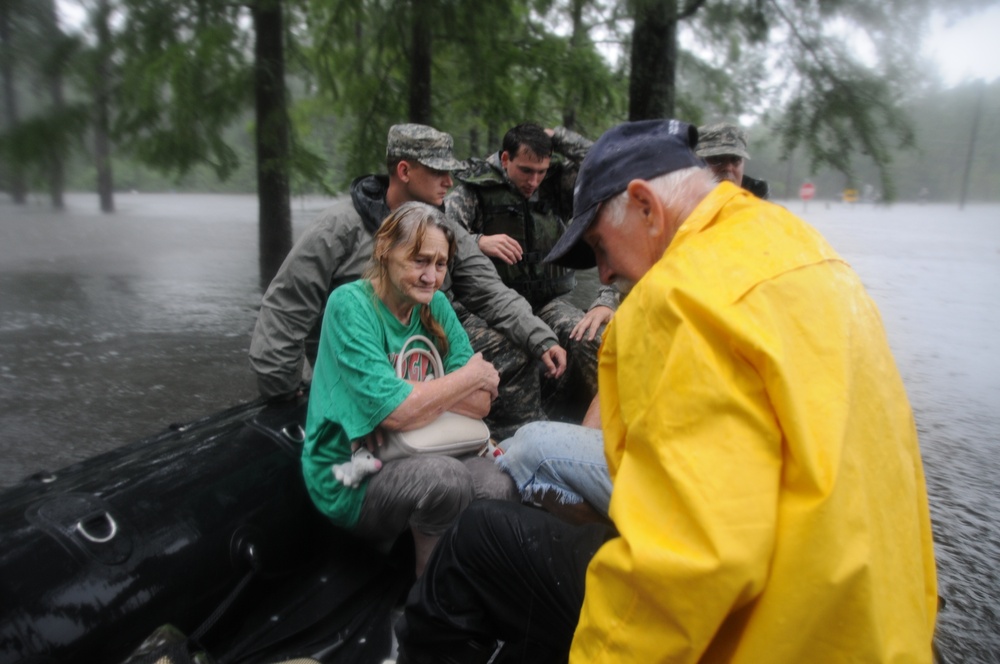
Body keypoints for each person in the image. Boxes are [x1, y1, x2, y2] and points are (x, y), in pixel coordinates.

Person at [394, 119, 938, 663]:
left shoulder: (677, 299)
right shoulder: (807, 251)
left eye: (600, 246)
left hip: (769, 633)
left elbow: (693, 559)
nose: (604, 272)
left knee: (476, 538)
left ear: (646, 206)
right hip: (881, 627)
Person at [248, 124, 568, 440]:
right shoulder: (338, 229)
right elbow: (285, 307)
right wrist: (285, 393)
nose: (448, 182)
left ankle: (510, 442)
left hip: (423, 352)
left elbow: (490, 291)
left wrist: (540, 337)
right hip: (359, 358)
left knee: (514, 348)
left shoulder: (443, 227)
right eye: (437, 172)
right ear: (404, 170)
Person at [301, 202, 516, 577]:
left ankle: (469, 589)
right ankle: (426, 611)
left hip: (427, 447)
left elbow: (481, 404)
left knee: (499, 482)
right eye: (419, 260)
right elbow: (396, 411)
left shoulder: (437, 306)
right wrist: (467, 377)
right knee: (445, 481)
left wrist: (408, 393)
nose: (431, 276)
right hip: (351, 476)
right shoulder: (350, 306)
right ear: (385, 250)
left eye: (440, 264)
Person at [447, 123, 618, 422]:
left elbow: (606, 165)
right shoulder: (475, 190)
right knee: (517, 347)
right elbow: (437, 231)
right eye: (526, 171)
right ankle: (516, 429)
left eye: (541, 171)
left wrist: (561, 137)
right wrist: (478, 241)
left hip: (546, 302)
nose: (534, 181)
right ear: (504, 160)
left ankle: (595, 420)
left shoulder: (556, 187)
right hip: (490, 309)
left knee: (591, 338)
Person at [696, 121, 770, 199]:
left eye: (735, 159)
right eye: (716, 159)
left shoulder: (760, 208)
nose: (728, 168)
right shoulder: (683, 207)